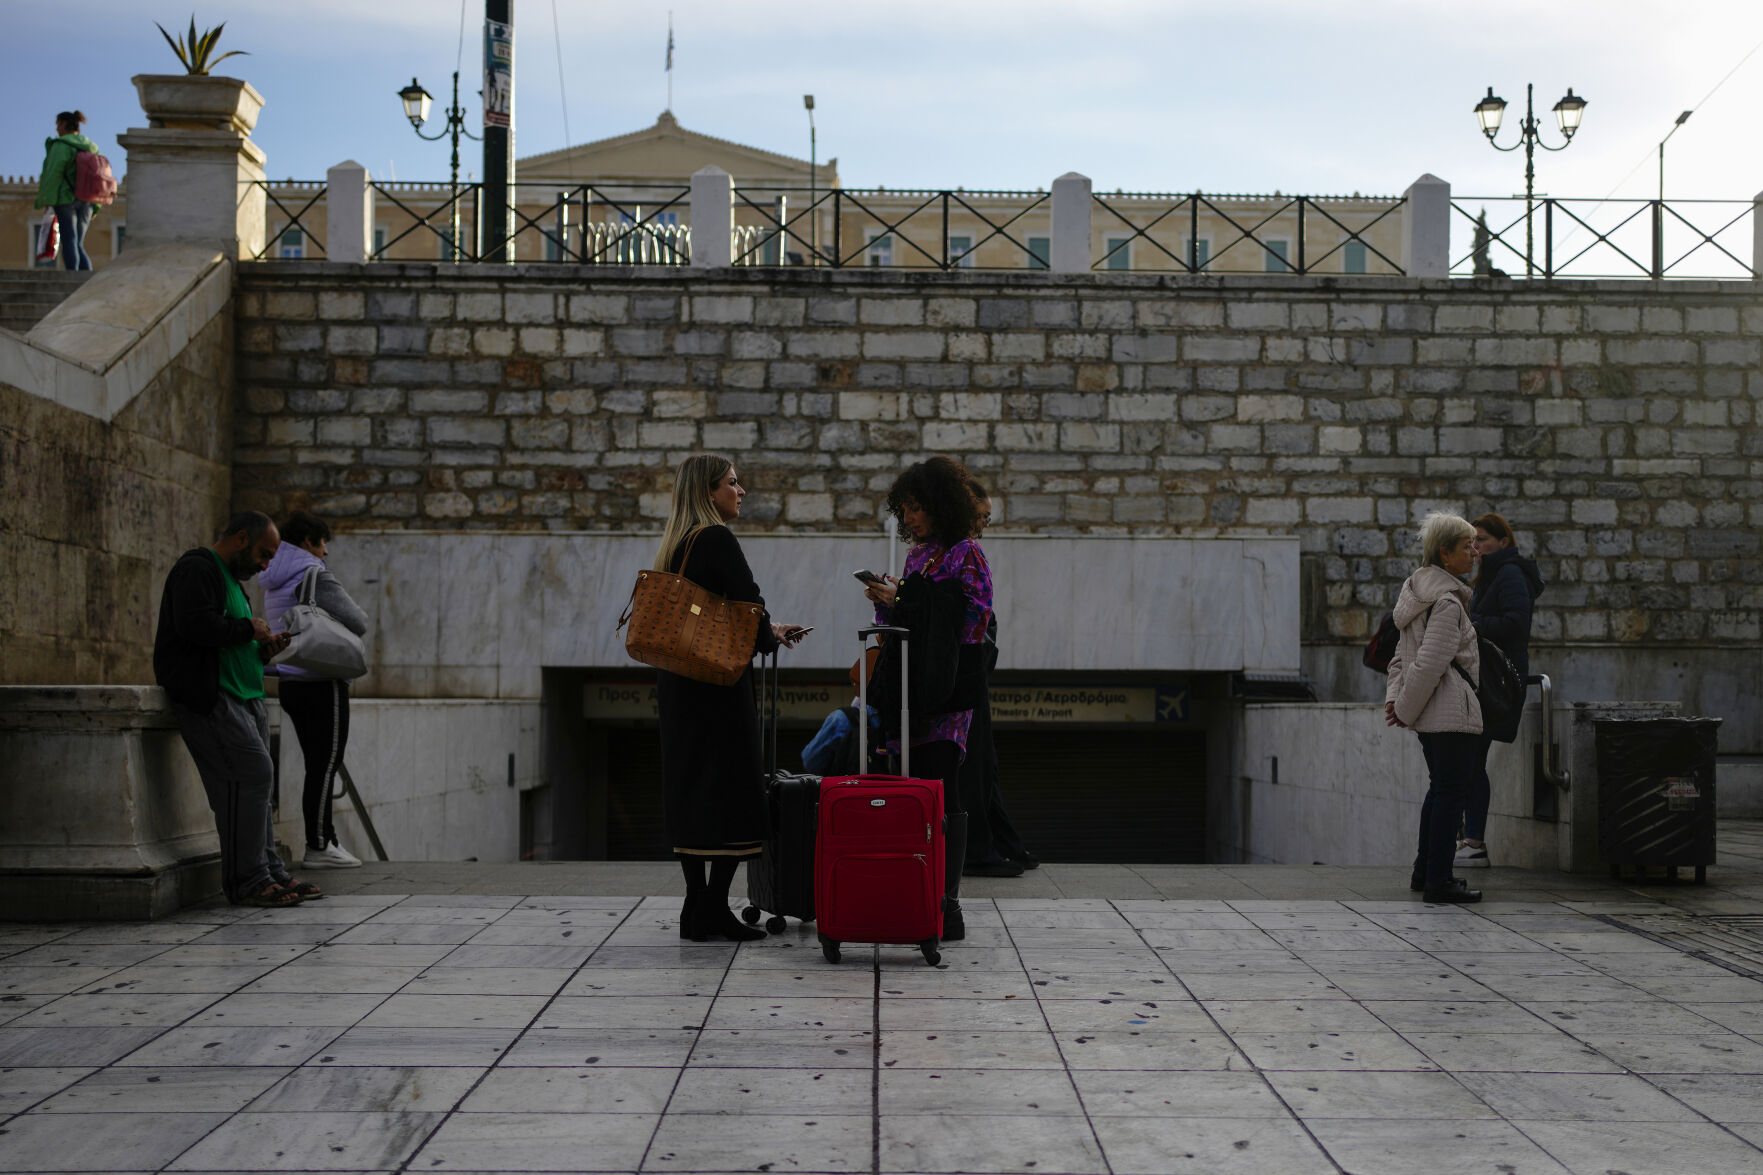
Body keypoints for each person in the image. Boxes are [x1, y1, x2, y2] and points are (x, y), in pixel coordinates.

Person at [654, 454, 805, 941]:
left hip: (680, 684)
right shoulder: (716, 538)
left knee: (693, 788)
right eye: (733, 483)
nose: (741, 492)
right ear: (709, 491)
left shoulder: (675, 544)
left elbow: (722, 615)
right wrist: (770, 631)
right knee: (730, 790)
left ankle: (695, 907)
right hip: (718, 688)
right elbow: (749, 603)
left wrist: (766, 630)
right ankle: (714, 909)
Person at [153, 512, 322, 907]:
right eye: (264, 554)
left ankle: (270, 872)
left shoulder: (231, 581)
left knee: (259, 785)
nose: (265, 565)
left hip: (245, 697)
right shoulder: (197, 568)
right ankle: (246, 880)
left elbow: (225, 637)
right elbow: (194, 625)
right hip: (213, 698)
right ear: (241, 539)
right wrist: (250, 630)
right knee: (248, 778)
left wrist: (261, 648)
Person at [862, 456, 992, 939]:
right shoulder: (918, 557)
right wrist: (887, 603)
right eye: (905, 509)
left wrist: (909, 602)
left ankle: (947, 903)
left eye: (917, 509)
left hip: (949, 688)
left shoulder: (966, 552)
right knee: (905, 782)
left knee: (942, 782)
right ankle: (907, 889)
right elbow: (900, 621)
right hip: (909, 685)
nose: (910, 518)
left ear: (940, 506)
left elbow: (975, 618)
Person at [1384, 512, 1484, 905]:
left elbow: (1399, 660)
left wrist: (1397, 700)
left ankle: (1426, 871)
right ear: (1444, 554)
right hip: (1450, 713)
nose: (1475, 552)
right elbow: (1428, 664)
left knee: (1440, 790)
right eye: (1466, 546)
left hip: (1432, 713)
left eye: (1476, 544)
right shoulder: (1445, 602)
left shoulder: (1416, 593)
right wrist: (1404, 709)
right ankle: (1439, 880)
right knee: (1451, 794)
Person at [262, 511, 370, 870]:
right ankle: (320, 844)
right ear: (308, 541)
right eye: (322, 543)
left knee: (316, 765)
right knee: (325, 765)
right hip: (322, 680)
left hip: (290, 680)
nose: (325, 552)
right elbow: (358, 621)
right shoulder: (314, 572)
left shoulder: (273, 576)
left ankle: (325, 840)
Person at [1458, 512, 1545, 871]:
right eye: (1473, 540)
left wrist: (1472, 624)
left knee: (1473, 759)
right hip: (1486, 678)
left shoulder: (1509, 574)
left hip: (1499, 681)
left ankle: (1474, 841)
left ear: (1503, 542)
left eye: (1483, 539)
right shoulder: (1488, 576)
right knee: (1469, 759)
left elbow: (1516, 624)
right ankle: (1469, 838)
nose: (1476, 546)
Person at [960, 481, 1034, 878]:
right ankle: (982, 849)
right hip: (964, 675)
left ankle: (1002, 844)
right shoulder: (962, 552)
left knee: (982, 765)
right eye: (982, 517)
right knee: (974, 765)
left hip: (967, 672)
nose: (984, 526)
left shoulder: (951, 552)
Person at [34, 111, 97, 271]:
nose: (57, 129)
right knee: (78, 243)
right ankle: (86, 279)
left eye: (58, 125)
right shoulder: (91, 147)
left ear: (63, 124)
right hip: (87, 201)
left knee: (69, 240)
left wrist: (47, 200)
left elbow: (54, 174)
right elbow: (98, 178)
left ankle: (72, 277)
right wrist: (96, 206)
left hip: (65, 199)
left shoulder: (61, 146)